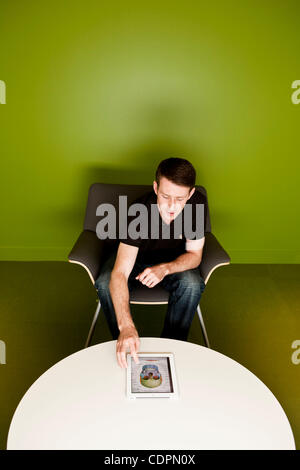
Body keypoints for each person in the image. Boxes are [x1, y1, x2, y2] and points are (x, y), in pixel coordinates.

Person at [94, 157, 207, 368]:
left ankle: (173, 346)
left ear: (191, 194)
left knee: (192, 284)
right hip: (135, 258)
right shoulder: (140, 212)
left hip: (172, 262)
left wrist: (165, 269)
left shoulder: (198, 204)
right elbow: (119, 273)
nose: (172, 206)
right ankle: (124, 340)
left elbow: (195, 255)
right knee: (104, 282)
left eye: (180, 198)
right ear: (155, 187)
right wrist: (127, 326)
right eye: (165, 196)